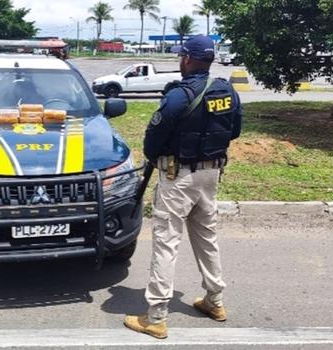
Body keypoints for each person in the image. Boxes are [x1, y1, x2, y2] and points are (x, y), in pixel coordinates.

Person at [123, 35, 243, 339]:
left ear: (188, 59)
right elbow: (235, 130)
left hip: (179, 178)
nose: (180, 60)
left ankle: (156, 317)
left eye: (181, 56)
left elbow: (152, 141)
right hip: (211, 174)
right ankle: (215, 301)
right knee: (207, 238)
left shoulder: (179, 95)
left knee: (166, 241)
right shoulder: (227, 90)